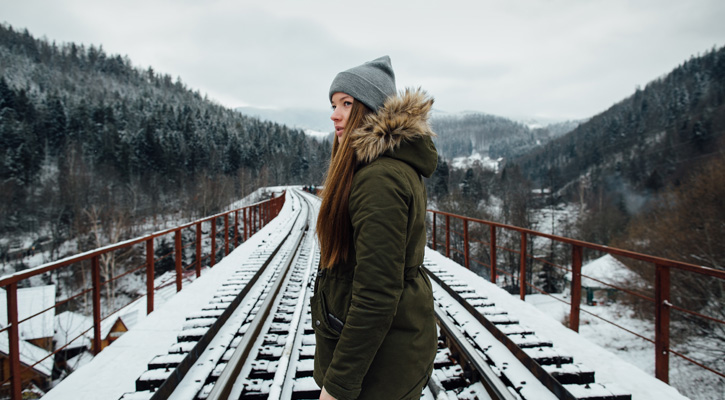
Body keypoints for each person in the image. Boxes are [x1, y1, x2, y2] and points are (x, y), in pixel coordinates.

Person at [312, 56, 439, 400]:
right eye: (333, 104)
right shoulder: (382, 168)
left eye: (346, 103)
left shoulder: (379, 179)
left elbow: (376, 295)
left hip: (381, 368)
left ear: (370, 109)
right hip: (388, 353)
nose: (334, 114)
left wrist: (338, 386)